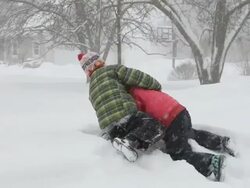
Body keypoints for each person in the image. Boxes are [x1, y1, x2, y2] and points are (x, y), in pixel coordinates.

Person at [128, 87, 235, 181]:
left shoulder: (131, 97)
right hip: (181, 112)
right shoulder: (142, 89)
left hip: (170, 119)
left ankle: (211, 162)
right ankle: (221, 142)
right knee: (189, 133)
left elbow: (144, 121)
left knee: (178, 153)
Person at [77, 51, 166, 162]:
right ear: (99, 62)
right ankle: (130, 141)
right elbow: (137, 77)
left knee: (124, 131)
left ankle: (120, 143)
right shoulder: (112, 70)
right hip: (125, 115)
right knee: (154, 126)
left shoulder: (91, 89)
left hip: (109, 127)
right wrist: (156, 86)